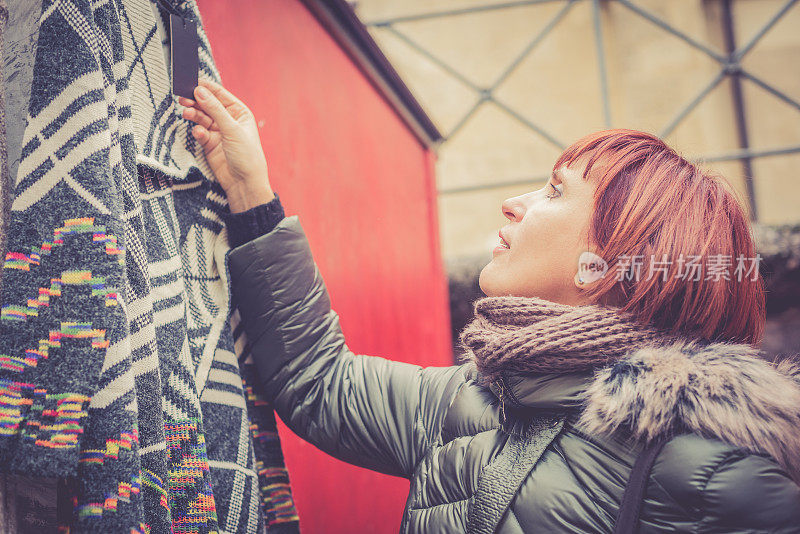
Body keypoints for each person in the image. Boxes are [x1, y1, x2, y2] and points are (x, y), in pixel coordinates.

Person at [181, 80, 800, 533]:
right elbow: (319, 381)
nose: (514, 203)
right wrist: (249, 191)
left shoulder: (721, 474)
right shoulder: (477, 401)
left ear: (609, 266)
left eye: (555, 191)